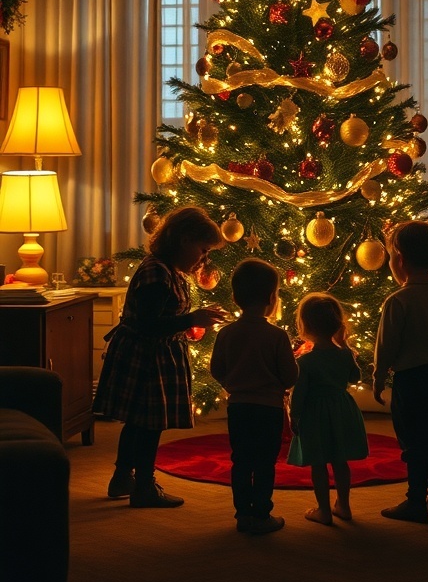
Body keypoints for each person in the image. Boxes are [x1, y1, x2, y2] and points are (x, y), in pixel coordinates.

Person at [93, 205, 226, 508]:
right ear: (184, 239)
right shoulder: (156, 272)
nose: (203, 259)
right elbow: (149, 324)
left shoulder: (168, 270)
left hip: (153, 355)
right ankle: (143, 487)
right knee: (149, 425)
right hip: (146, 358)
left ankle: (122, 478)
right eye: (202, 250)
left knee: (138, 423)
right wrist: (190, 320)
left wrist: (189, 322)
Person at [373, 222, 428, 523]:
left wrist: (378, 376)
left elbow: (386, 345)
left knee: (412, 440)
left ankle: (415, 501)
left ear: (400, 258)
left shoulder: (398, 301)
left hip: (410, 381)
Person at [209, 258, 298, 534]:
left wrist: (233, 384)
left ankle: (242, 515)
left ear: (235, 297)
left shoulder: (226, 334)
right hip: (268, 409)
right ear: (273, 298)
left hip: (238, 408)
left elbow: (216, 369)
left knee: (241, 460)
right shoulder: (277, 336)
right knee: (264, 463)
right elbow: (290, 376)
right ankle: (261, 513)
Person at [287, 293, 368, 526]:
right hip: (341, 409)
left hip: (315, 412)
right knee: (340, 459)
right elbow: (355, 377)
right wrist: (346, 348)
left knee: (319, 461)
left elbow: (299, 393)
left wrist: (294, 416)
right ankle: (344, 505)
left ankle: (323, 509)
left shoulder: (305, 362)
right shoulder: (343, 354)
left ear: (305, 325)